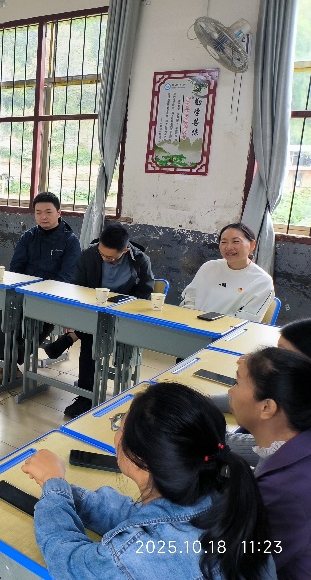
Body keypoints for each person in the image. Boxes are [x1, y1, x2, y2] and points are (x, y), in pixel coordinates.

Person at [23, 382, 275, 580]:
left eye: (120, 426)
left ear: (142, 459)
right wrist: (66, 493)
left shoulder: (134, 556)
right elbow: (142, 516)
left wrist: (53, 484)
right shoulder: (225, 493)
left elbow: (68, 562)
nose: (116, 434)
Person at [44, 222, 155, 418]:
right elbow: (77, 288)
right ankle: (86, 396)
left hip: (123, 315)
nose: (104, 259)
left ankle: (72, 337)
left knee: (91, 334)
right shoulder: (89, 255)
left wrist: (122, 305)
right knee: (91, 339)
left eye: (110, 257)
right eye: (102, 254)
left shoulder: (140, 260)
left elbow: (145, 292)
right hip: (93, 312)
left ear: (125, 250)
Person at [226, 347, 311, 578]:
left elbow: (241, 561)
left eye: (237, 382)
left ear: (267, 407)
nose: (230, 390)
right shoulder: (299, 444)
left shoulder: (281, 492)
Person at [0, 192, 80, 384]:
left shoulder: (70, 241)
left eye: (48, 212)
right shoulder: (28, 236)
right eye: (38, 212)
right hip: (24, 291)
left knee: (34, 318)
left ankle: (8, 364)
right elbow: (16, 268)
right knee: (3, 307)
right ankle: (4, 361)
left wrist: (39, 292)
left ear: (59, 213)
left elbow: (66, 277)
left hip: (52, 296)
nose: (43, 217)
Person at [181, 222, 274, 323]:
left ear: (252, 245)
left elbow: (247, 319)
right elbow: (190, 298)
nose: (229, 247)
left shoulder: (262, 281)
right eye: (224, 242)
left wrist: (209, 325)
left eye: (236, 241)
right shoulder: (209, 267)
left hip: (228, 331)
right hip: (192, 325)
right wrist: (190, 320)